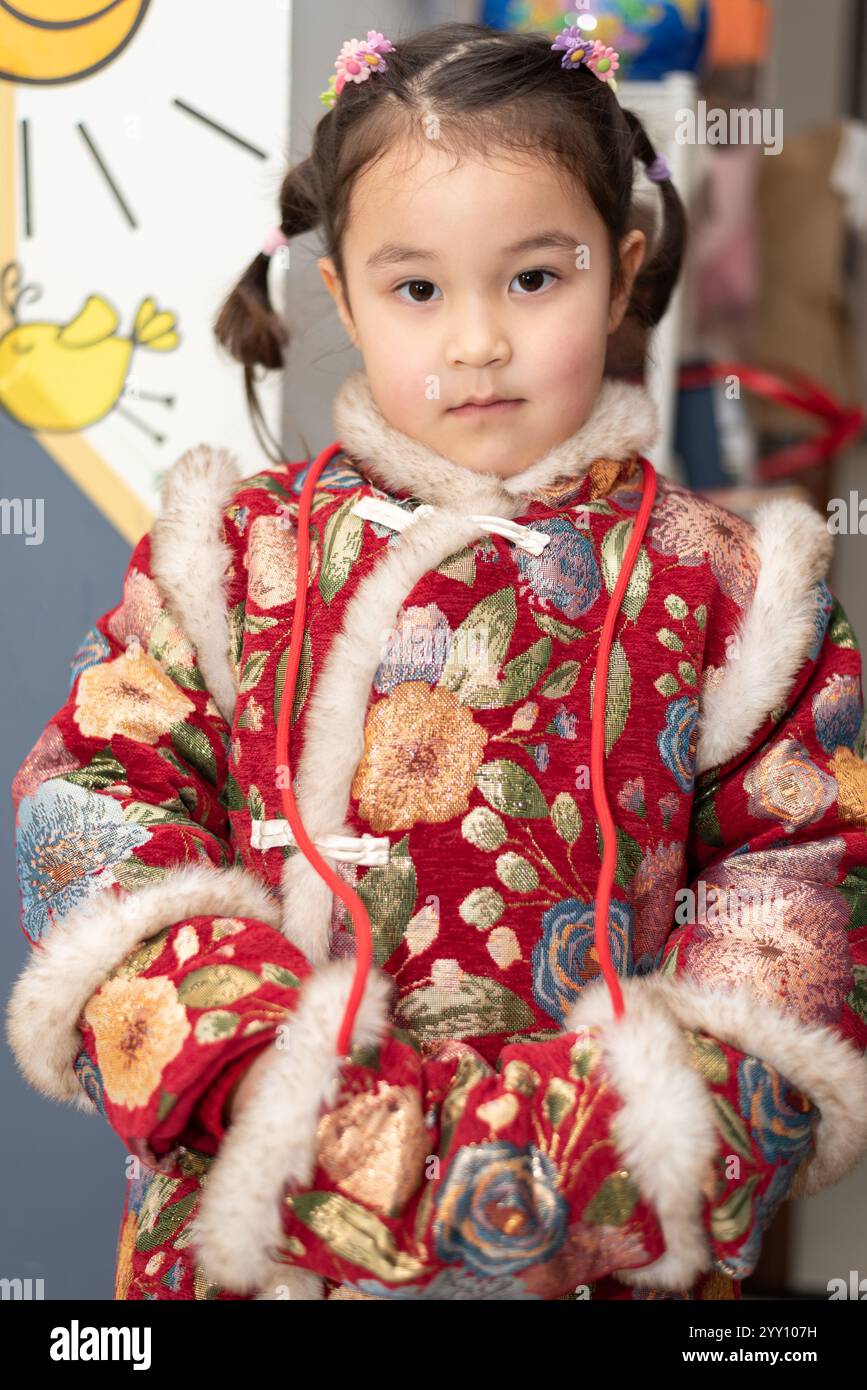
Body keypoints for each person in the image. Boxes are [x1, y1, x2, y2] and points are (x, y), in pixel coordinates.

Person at [6, 20, 867, 1304]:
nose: (474, 341)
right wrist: (271, 1079)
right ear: (343, 295)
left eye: (534, 279)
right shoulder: (231, 557)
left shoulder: (733, 587)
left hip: (586, 1216)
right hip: (269, 1209)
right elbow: (100, 804)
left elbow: (802, 869)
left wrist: (618, 1128)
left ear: (622, 271)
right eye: (418, 289)